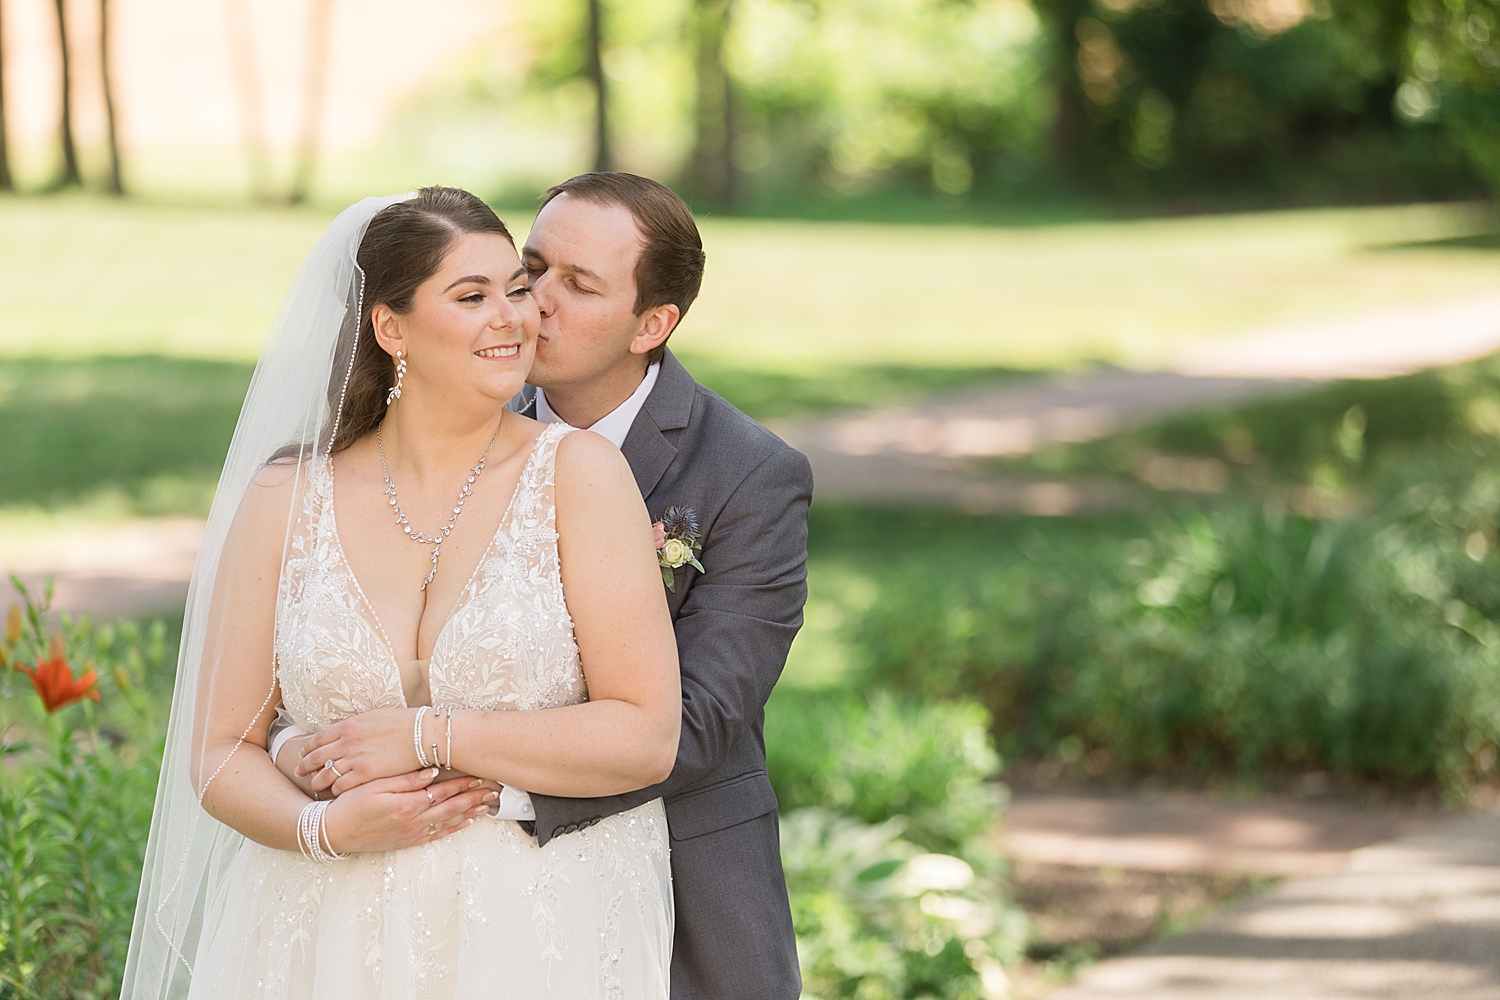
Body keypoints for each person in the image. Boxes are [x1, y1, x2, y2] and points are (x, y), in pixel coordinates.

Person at [122, 187, 682, 999]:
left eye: (514, 289)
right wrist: (322, 830)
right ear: (391, 328)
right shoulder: (288, 496)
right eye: (472, 296)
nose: (514, 318)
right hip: (321, 924)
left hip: (538, 923)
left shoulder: (580, 476)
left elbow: (644, 735)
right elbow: (218, 752)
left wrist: (428, 735)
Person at [272, 173, 812, 999]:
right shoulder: (451, 425)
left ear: (653, 325)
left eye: (579, 285)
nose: (533, 305)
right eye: (533, 269)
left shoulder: (751, 477)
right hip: (424, 897)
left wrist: (461, 765)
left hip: (679, 884)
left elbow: (694, 726)